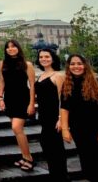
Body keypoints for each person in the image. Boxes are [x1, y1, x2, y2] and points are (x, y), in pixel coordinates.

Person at [61, 54, 98, 182]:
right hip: (81, 134)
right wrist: (65, 129)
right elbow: (65, 108)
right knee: (90, 171)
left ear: (85, 65)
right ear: (68, 66)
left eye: (79, 63)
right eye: (72, 64)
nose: (76, 66)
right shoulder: (67, 86)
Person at [0, 40, 36, 171]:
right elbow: (2, 82)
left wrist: (32, 103)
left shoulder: (27, 65)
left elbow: (32, 86)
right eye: (8, 47)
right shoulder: (3, 63)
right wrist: (0, 98)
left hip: (22, 99)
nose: (10, 49)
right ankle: (24, 156)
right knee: (17, 131)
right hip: (9, 98)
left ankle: (29, 158)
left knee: (16, 128)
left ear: (18, 48)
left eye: (13, 46)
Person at [34, 48, 67, 180]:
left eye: (47, 56)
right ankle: (55, 175)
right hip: (44, 117)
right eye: (41, 57)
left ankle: (62, 177)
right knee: (47, 147)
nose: (44, 59)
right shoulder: (41, 76)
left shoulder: (58, 75)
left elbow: (62, 98)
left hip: (55, 117)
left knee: (56, 149)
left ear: (53, 58)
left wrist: (61, 119)